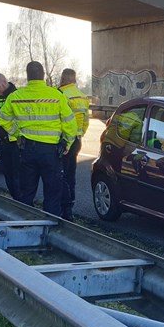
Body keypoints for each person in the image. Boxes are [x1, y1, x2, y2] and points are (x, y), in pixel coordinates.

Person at [0, 61, 77, 216]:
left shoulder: (16, 96)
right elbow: (70, 123)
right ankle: (50, 228)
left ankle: (24, 226)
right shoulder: (56, 95)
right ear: (43, 76)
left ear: (27, 76)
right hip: (51, 152)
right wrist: (67, 143)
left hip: (26, 150)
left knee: (26, 193)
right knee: (53, 194)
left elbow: (2, 119)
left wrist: (16, 134)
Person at [58, 68, 91, 221]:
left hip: (63, 140)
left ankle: (64, 208)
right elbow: (86, 120)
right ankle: (70, 204)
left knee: (60, 174)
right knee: (71, 173)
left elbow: (60, 119)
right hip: (77, 139)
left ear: (63, 79)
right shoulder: (83, 96)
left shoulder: (60, 94)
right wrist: (80, 134)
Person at [0, 73, 20, 200]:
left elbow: (20, 118)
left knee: (18, 175)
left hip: (15, 141)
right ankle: (15, 199)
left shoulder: (17, 96)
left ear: (4, 82)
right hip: (2, 142)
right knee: (7, 174)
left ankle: (21, 202)